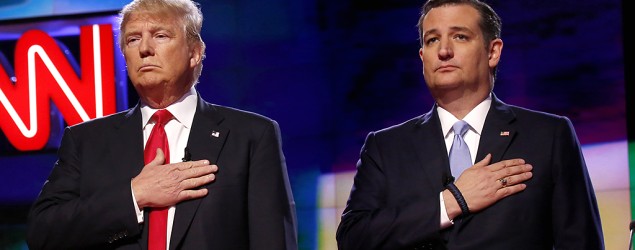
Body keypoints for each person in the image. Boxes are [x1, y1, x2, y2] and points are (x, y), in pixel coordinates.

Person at [26, 0, 298, 249]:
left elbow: (272, 240)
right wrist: (134, 195)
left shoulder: (251, 136)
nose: (144, 48)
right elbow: (43, 233)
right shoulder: (86, 141)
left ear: (194, 53)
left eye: (160, 35)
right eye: (133, 39)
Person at [336, 0, 604, 249]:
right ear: (422, 57)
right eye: (432, 40)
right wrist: (451, 202)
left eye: (459, 36)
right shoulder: (385, 147)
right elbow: (352, 238)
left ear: (493, 52)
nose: (443, 51)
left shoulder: (549, 136)